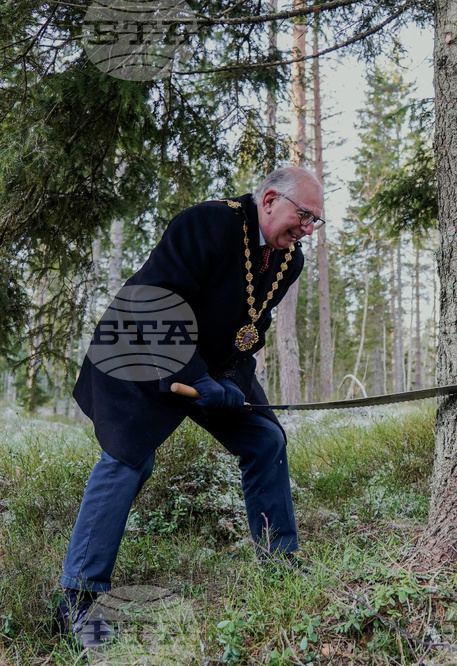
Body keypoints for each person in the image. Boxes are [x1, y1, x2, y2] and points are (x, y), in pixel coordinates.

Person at [57, 166, 325, 650]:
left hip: (211, 365)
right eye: (304, 216)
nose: (307, 229)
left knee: (265, 439)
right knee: (128, 460)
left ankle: (281, 565)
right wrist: (197, 376)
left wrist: (229, 380)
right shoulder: (208, 222)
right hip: (136, 349)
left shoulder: (290, 259)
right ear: (269, 200)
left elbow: (250, 330)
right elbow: (154, 300)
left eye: (315, 222)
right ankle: (78, 601)